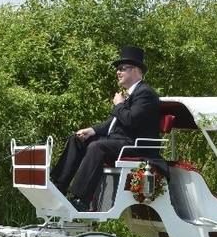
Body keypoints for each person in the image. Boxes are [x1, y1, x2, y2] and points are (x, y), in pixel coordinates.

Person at [51, 45, 161, 212]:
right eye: (118, 69)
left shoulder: (145, 93)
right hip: (121, 141)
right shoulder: (131, 94)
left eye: (122, 68)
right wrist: (92, 131)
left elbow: (130, 120)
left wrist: (119, 105)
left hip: (136, 145)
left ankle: (81, 199)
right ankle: (58, 186)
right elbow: (113, 123)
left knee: (98, 146)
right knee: (78, 139)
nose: (118, 72)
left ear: (136, 70)